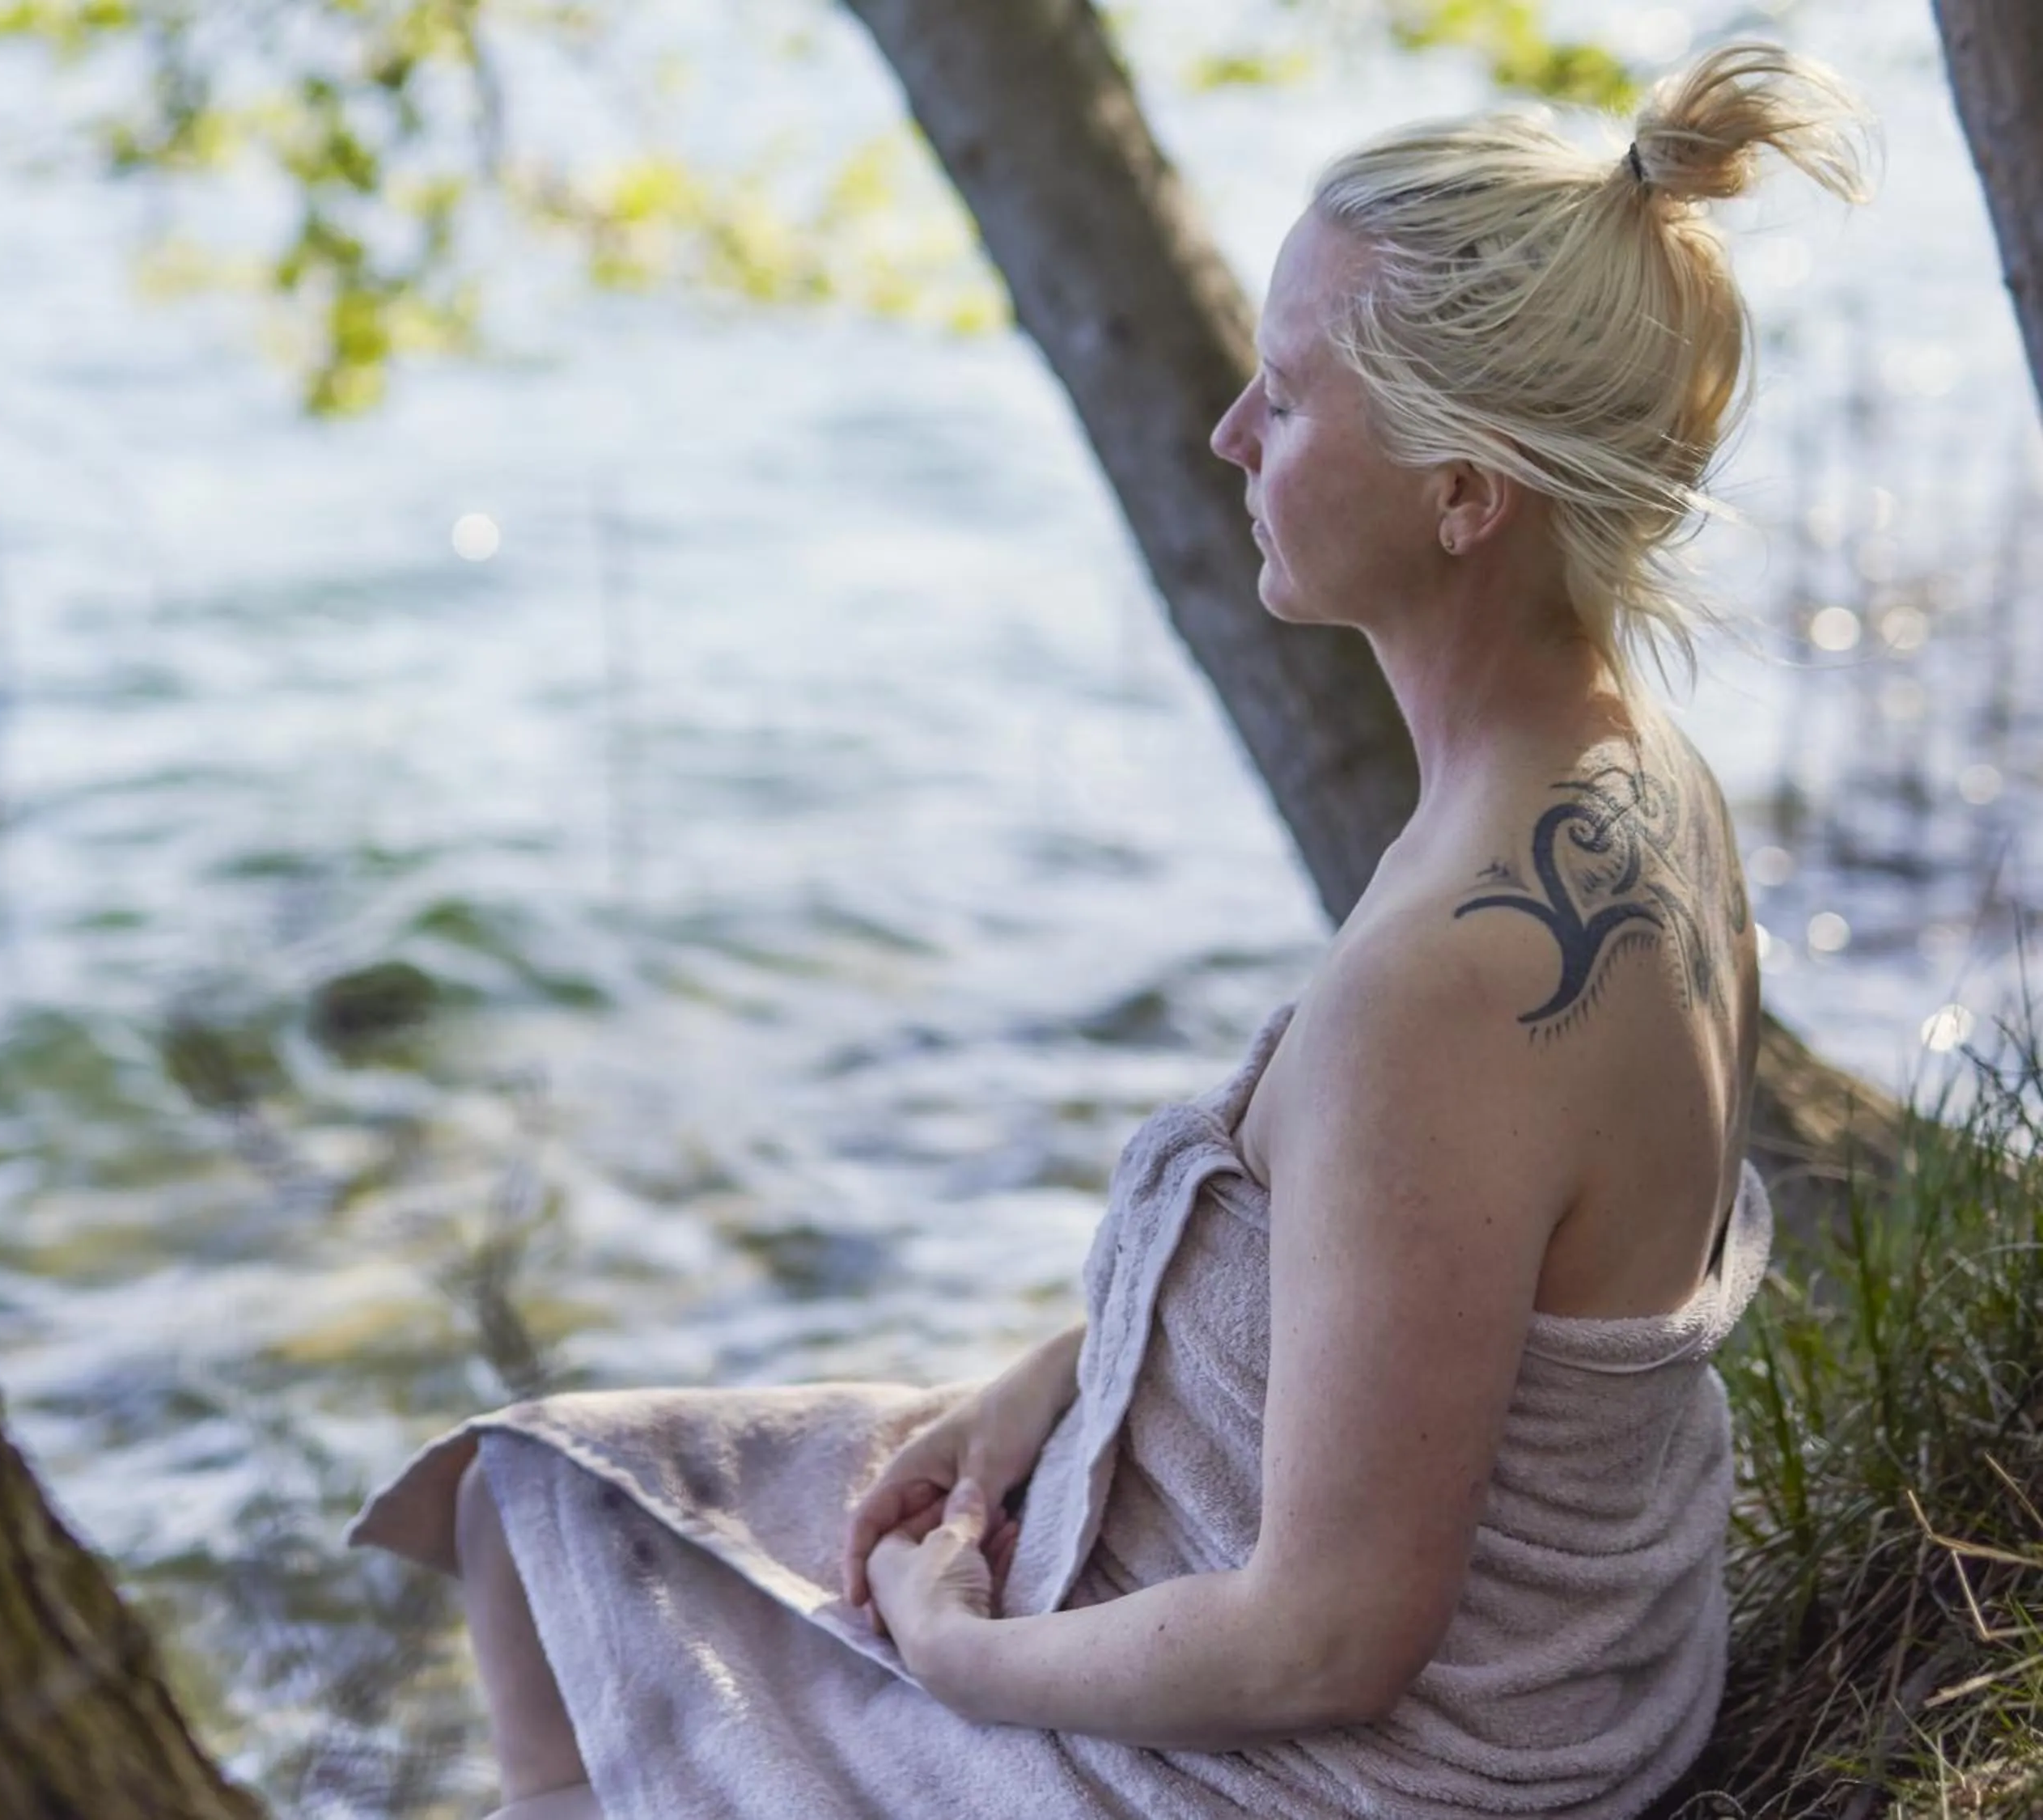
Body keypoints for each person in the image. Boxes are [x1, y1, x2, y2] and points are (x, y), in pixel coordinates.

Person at [347, 39, 1874, 1820]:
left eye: (1289, 403)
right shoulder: (1628, 778)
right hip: (1546, 1660)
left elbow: (1326, 1640)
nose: (1229, 433)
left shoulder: (1445, 980)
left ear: (1468, 494)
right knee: (544, 1482)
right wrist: (1042, 1380)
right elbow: (1428, 1277)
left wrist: (960, 1657)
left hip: (1389, 1765)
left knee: (559, 1530)